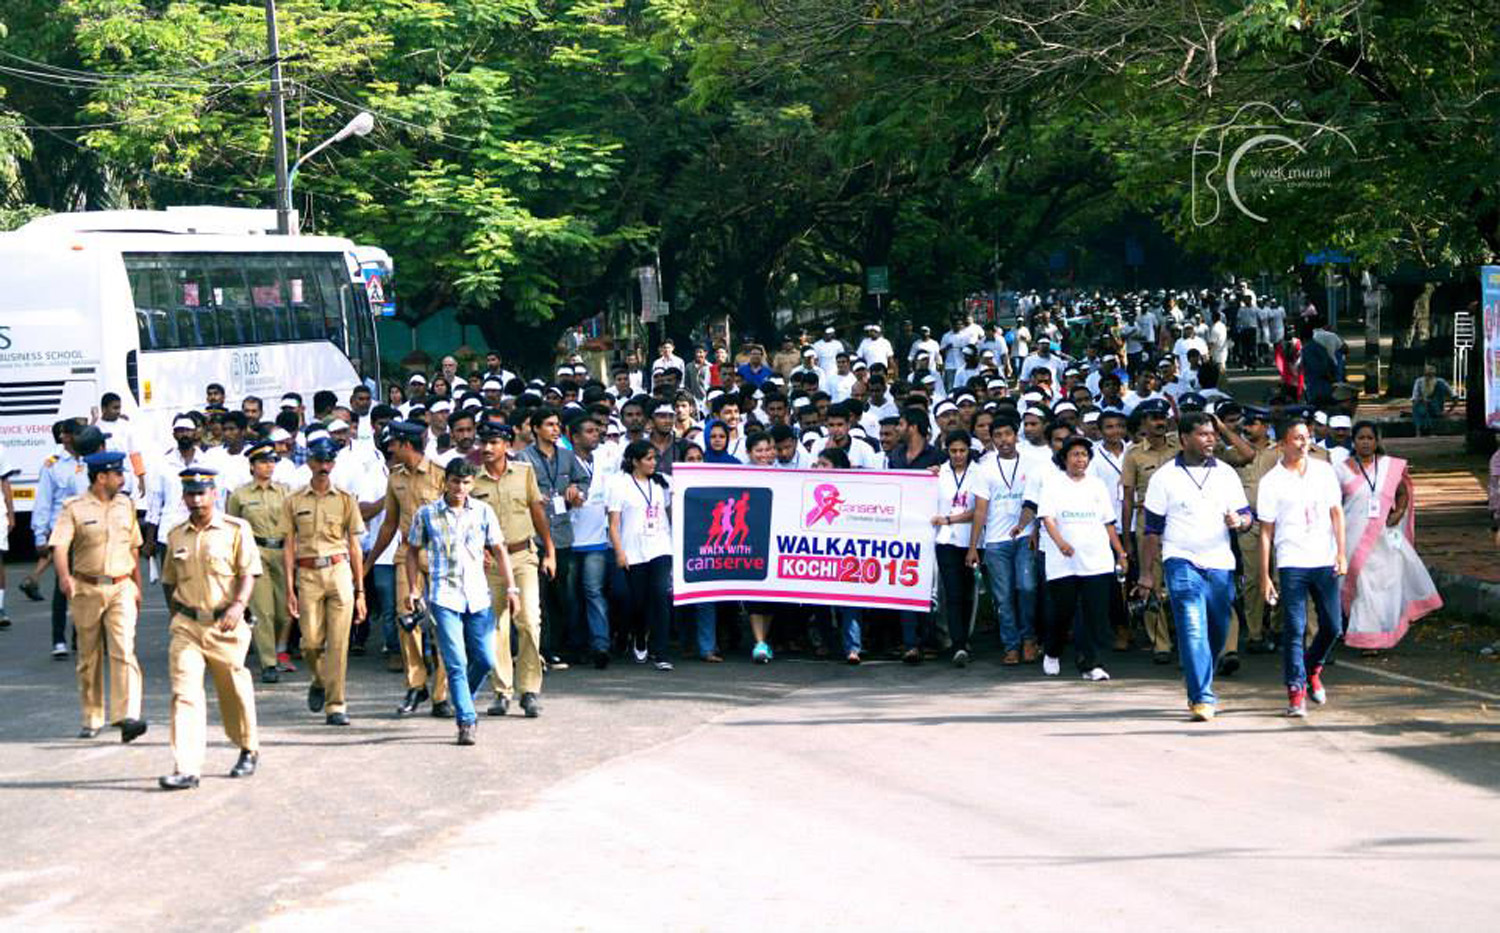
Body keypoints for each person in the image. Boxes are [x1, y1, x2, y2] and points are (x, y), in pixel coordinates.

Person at [1136, 413, 1252, 719]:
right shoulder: (1165, 477)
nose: (1211, 439)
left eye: (1212, 434)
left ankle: (1201, 677)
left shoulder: (1226, 473)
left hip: (1220, 563)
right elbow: (1152, 530)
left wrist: (1239, 522)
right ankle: (1202, 697)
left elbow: (1246, 515)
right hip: (1181, 560)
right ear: (1184, 438)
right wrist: (1147, 573)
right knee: (1192, 626)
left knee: (1217, 630)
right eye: (1202, 434)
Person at [157, 467, 262, 790]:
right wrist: (178, 616)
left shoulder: (235, 529)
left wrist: (238, 606)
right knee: (184, 694)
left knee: (234, 691)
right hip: (188, 626)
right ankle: (186, 767)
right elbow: (168, 581)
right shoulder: (176, 535)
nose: (197, 500)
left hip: (225, 625)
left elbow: (249, 572)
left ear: (215, 494)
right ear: (184, 496)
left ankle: (248, 747)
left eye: (202, 493)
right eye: (191, 493)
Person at [405, 458, 520, 744]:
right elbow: (411, 550)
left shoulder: (482, 512)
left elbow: (499, 549)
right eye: (456, 481)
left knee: (484, 659)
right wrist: (412, 588)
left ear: (472, 484)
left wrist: (512, 588)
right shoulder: (427, 514)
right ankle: (466, 720)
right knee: (455, 662)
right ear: (446, 482)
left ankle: (462, 699)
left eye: (466, 482)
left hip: (478, 595)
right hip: (444, 595)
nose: (460, 488)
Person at [48, 450, 146, 742]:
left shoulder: (125, 504)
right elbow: (60, 547)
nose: (122, 478)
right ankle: (92, 717)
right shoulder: (74, 508)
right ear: (101, 477)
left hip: (121, 586)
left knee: (123, 649)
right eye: (117, 474)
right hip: (87, 587)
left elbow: (134, 547)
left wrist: (137, 586)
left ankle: (127, 716)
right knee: (89, 656)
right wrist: (65, 578)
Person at [1257, 418, 1346, 718]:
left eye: (1306, 437)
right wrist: (1265, 575)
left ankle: (1312, 668)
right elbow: (1266, 531)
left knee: (1333, 626)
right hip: (1292, 561)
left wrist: (1342, 554)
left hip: (1324, 558)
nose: (1303, 442)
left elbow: (1337, 514)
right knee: (1294, 627)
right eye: (1296, 438)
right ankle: (1295, 691)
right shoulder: (1271, 481)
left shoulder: (1323, 471)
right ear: (1282, 443)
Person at [363, 421, 449, 717]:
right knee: (406, 619)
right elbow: (389, 523)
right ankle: (416, 684)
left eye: (393, 444)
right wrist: (369, 561)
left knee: (441, 625)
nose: (389, 449)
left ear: (407, 444)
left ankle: (441, 695)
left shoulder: (440, 475)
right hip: (406, 556)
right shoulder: (395, 478)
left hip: (440, 558)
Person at [472, 423, 554, 715]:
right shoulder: (472, 480)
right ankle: (502, 691)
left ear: (506, 444)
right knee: (495, 628)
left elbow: (537, 511)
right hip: (490, 562)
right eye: (484, 442)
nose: (487, 448)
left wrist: (550, 550)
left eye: (493, 442)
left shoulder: (524, 472)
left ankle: (529, 690)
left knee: (530, 621)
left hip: (522, 555)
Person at [1338, 421, 1442, 650]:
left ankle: (1379, 635)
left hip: (1384, 538)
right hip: (1354, 539)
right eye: (1361, 438)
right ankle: (1366, 639)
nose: (1365, 442)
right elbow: (1335, 505)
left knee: (1384, 587)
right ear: (1353, 442)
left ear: (1377, 441)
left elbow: (1403, 493)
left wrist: (1398, 513)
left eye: (1370, 438)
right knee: (1362, 589)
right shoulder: (1341, 469)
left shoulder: (1389, 467)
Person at [284, 439, 367, 726]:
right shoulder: (293, 500)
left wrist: (360, 591)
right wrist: (289, 587)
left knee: (339, 644)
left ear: (333, 464)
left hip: (339, 570)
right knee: (310, 642)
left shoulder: (345, 499)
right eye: (318, 461)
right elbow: (289, 546)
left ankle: (336, 704)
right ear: (309, 463)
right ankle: (319, 680)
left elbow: (355, 546)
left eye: (328, 462)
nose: (323, 467)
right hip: (307, 575)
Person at [1036, 435, 1129, 680]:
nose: (1080, 459)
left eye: (1084, 455)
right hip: (1063, 561)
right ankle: (1052, 651)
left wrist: (1120, 553)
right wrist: (1061, 543)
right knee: (1062, 610)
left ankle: (1091, 664)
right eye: (1075, 454)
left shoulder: (1097, 485)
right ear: (1064, 458)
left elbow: (1108, 522)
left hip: (1096, 558)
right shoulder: (1053, 484)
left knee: (1094, 613)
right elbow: (1047, 518)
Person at [968, 415, 1040, 664]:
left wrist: (1035, 533)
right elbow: (980, 510)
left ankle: (1029, 638)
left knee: (1027, 587)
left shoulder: (1031, 464)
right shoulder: (984, 468)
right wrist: (973, 547)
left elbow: (1040, 502)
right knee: (1003, 596)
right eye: (997, 435)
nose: (1003, 440)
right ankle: (1011, 645)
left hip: (1025, 537)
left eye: (1007, 434)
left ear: (1016, 435)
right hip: (996, 541)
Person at [226, 440, 292, 684]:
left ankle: (278, 649)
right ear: (252, 465)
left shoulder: (285, 491)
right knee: (264, 610)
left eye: (272, 461)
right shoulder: (240, 495)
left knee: (285, 610)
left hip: (283, 551)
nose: (269, 466)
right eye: (263, 462)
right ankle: (269, 662)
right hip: (256, 552)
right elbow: (231, 528)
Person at [606, 440, 674, 670]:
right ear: (635, 461)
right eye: (648, 459)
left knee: (660, 595)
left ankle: (662, 651)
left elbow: (670, 511)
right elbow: (613, 524)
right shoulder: (620, 485)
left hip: (660, 545)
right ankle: (639, 636)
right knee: (638, 601)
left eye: (655, 458)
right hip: (633, 549)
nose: (653, 463)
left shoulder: (661, 484)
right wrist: (619, 552)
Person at [932, 430, 980, 666]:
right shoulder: (938, 473)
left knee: (967, 592)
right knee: (952, 593)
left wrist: (951, 519)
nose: (958, 455)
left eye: (962, 450)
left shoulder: (979, 474)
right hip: (945, 541)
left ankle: (964, 636)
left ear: (969, 450)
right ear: (946, 451)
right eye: (953, 451)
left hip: (970, 540)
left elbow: (979, 511)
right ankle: (958, 644)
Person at [1409, 365, 1455, 436]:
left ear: (1434, 375)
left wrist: (1448, 411)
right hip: (1422, 407)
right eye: (1427, 375)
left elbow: (1454, 397)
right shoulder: (1419, 382)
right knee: (1419, 407)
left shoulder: (1440, 382)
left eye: (1430, 375)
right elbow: (1414, 398)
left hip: (1436, 408)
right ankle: (1422, 430)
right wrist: (1422, 400)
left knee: (1422, 408)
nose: (1428, 377)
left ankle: (1423, 430)